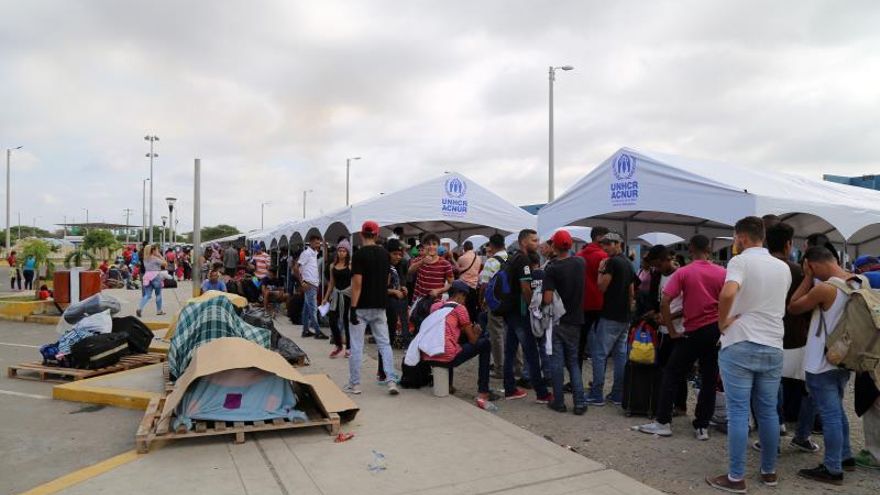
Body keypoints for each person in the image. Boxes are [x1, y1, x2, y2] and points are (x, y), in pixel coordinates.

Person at [706, 216, 791, 493]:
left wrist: (722, 322)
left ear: (741, 237)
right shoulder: (783, 268)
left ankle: (736, 477)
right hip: (773, 344)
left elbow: (729, 292)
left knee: (739, 412)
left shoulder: (740, 261)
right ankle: (769, 472)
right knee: (767, 412)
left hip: (741, 342)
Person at [638, 235, 726, 440]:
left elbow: (665, 302)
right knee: (709, 377)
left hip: (691, 330)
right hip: (714, 330)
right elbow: (729, 299)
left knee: (671, 373)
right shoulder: (723, 272)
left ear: (691, 249)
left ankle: (663, 421)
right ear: (710, 249)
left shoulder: (684, 272)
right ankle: (702, 425)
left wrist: (671, 329)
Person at [787, 246, 855, 485]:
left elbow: (793, 306)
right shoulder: (858, 282)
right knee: (837, 409)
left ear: (812, 265)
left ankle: (833, 468)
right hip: (845, 357)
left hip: (822, 361)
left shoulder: (826, 288)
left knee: (830, 414)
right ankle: (845, 456)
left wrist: (807, 277)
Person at [758, 222, 819, 453]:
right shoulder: (798, 271)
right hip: (798, 338)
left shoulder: (759, 269)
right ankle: (802, 435)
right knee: (809, 390)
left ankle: (770, 436)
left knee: (768, 391)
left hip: (768, 338)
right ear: (788, 244)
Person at [423, 280, 495, 409]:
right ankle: (483, 391)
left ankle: (449, 385)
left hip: (428, 355)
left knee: (448, 341)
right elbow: (473, 340)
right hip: (446, 357)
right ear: (459, 295)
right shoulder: (460, 309)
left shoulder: (436, 306)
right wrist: (477, 332)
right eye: (465, 297)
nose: (465, 300)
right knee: (485, 344)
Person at [347, 221, 398, 396]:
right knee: (385, 344)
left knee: (356, 346)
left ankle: (355, 384)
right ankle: (391, 380)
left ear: (361, 234)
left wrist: (353, 307)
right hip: (380, 304)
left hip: (361, 306)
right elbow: (386, 280)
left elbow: (357, 284)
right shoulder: (385, 255)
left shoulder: (359, 255)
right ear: (376, 235)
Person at [502, 229, 552, 403]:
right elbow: (525, 288)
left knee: (510, 351)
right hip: (520, 312)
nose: (537, 243)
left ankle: (509, 389)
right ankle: (542, 393)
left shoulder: (512, 256)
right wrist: (533, 308)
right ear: (524, 242)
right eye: (533, 240)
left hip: (509, 310)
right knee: (531, 352)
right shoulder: (523, 259)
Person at [542, 230, 587, 415]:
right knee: (573, 362)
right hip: (576, 319)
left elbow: (547, 298)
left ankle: (559, 402)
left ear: (554, 246)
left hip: (558, 320)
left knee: (557, 362)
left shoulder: (552, 268)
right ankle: (580, 403)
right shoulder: (580, 263)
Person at [588, 232, 634, 407]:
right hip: (624, 316)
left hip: (610, 315)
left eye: (608, 244)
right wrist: (630, 311)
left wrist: (600, 270)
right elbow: (631, 292)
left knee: (599, 354)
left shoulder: (611, 263)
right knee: (620, 355)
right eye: (603, 244)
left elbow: (601, 287)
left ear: (618, 243)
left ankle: (596, 394)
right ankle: (617, 394)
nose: (605, 248)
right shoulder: (629, 264)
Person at [480, 233, 515, 379]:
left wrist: (482, 300)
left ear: (492, 246)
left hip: (495, 304)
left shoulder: (491, 261)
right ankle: (516, 367)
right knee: (512, 335)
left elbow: (485, 285)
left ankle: (500, 369)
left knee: (497, 336)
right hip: (511, 303)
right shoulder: (512, 258)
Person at [576, 227, 609, 371]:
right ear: (599, 237)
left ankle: (575, 380)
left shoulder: (579, 255)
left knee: (580, 344)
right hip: (601, 304)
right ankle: (598, 380)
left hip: (582, 305)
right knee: (601, 346)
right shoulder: (604, 256)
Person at [322, 240, 352, 358]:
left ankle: (349, 347)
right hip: (335, 295)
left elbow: (355, 281)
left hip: (347, 295)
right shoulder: (332, 266)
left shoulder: (350, 265)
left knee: (346, 321)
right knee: (332, 320)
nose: (341, 253)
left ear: (347, 252)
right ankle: (338, 345)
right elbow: (331, 283)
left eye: (344, 251)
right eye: (339, 250)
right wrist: (325, 297)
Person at [295, 235, 328, 339]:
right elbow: (296, 268)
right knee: (313, 310)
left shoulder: (314, 253)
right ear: (311, 242)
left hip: (312, 285)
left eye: (319, 243)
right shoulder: (306, 253)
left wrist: (325, 246)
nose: (318, 245)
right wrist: (302, 282)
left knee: (306, 310)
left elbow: (325, 258)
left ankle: (305, 331)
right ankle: (318, 331)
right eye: (317, 243)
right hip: (309, 284)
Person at [409, 233, 454, 301]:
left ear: (438, 246)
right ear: (424, 246)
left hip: (435, 302)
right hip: (418, 301)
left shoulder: (445, 263)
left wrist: (438, 291)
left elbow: (451, 283)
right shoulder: (419, 260)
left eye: (434, 244)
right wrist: (422, 262)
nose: (431, 246)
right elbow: (410, 271)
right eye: (428, 244)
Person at [386, 239, 410, 347]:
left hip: (395, 306)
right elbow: (380, 288)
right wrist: (394, 291)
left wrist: (402, 288)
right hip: (386, 306)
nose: (398, 257)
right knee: (386, 338)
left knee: (391, 334)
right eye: (394, 254)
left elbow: (397, 283)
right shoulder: (385, 267)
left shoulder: (397, 267)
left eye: (400, 254)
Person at [137, 244, 167, 318]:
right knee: (158, 294)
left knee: (147, 295)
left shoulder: (145, 259)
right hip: (155, 276)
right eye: (155, 250)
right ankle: (159, 310)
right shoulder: (155, 258)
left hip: (147, 276)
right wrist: (159, 255)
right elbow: (165, 264)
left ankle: (140, 308)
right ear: (152, 251)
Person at [456, 240, 482, 322]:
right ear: (472, 247)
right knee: (471, 308)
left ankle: (463, 324)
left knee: (462, 308)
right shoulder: (478, 258)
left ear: (464, 248)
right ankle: (471, 325)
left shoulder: (462, 258)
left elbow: (457, 270)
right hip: (474, 286)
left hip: (463, 286)